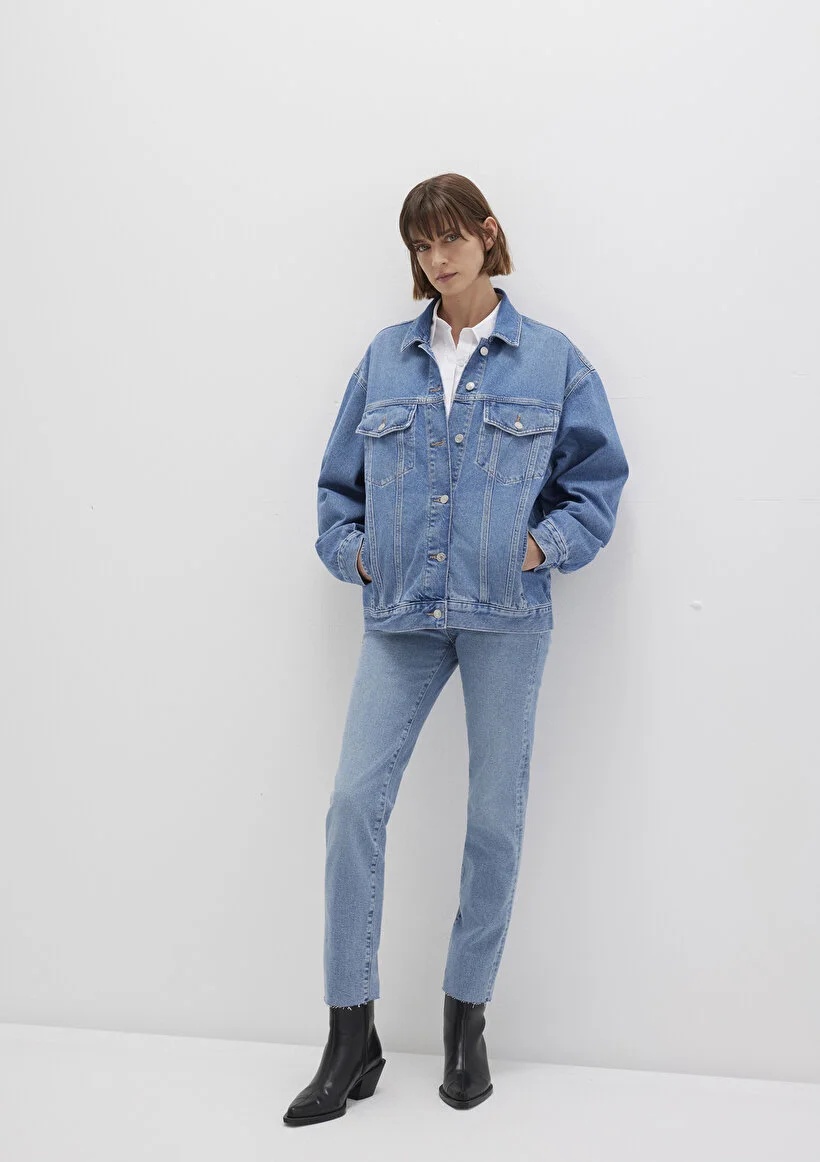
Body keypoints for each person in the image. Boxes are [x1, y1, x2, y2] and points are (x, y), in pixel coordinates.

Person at [283, 173, 629, 1127]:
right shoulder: (384, 359)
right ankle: (350, 1035)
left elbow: (597, 479)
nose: (438, 258)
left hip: (505, 614)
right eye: (421, 244)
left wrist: (540, 546)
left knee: (493, 822)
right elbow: (337, 487)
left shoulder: (550, 358)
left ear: (486, 236)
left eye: (451, 238)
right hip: (401, 614)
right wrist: (353, 554)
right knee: (353, 805)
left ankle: (465, 1020)